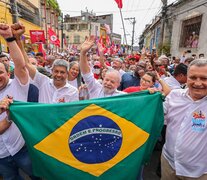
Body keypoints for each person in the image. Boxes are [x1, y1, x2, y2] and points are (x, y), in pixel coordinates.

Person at [0, 23, 39, 179]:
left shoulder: (18, 86)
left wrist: (9, 38)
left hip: (22, 149)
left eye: (0, 72)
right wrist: (9, 116)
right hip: (2, 156)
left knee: (38, 177)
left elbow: (21, 66)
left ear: (8, 73)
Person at [161, 59, 207, 179]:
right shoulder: (174, 96)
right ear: (187, 78)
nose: (198, 83)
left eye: (203, 78)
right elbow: (154, 115)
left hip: (199, 173)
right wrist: (149, 98)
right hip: (168, 164)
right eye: (193, 77)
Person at [12, 22, 79, 103]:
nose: (58, 75)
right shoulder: (43, 81)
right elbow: (27, 64)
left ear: (67, 73)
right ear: (51, 71)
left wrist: (63, 107)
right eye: (56, 71)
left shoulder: (73, 91)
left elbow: (73, 113)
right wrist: (18, 39)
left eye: (62, 72)